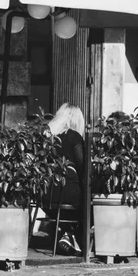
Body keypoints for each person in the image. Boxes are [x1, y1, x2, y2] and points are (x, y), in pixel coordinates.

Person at [42, 103, 85, 256]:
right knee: (91, 204)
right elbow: (83, 167)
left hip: (45, 195)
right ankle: (71, 235)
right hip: (67, 193)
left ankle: (67, 233)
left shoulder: (46, 136)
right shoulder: (74, 136)